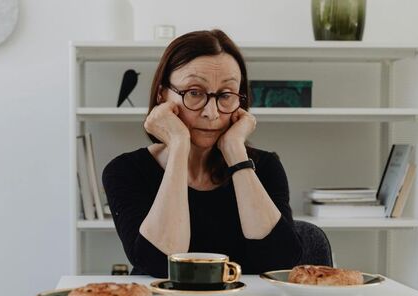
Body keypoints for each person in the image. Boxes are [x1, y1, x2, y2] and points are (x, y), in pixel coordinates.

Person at [102, 29, 302, 277]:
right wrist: (178, 145)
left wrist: (236, 154)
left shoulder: (265, 166)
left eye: (226, 95)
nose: (212, 113)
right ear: (162, 95)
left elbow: (280, 262)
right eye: (194, 93)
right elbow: (158, 264)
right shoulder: (125, 171)